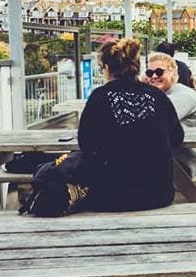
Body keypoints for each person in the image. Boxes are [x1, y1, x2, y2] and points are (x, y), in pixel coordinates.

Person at [77, 38, 183, 211]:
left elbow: (86, 143)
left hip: (111, 195)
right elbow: (177, 136)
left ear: (107, 68)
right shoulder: (156, 95)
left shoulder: (99, 97)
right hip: (159, 194)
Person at [146, 51, 196, 177]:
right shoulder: (165, 94)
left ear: (172, 73)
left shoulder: (183, 95)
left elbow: (153, 121)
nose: (153, 76)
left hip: (188, 158)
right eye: (149, 73)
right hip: (177, 153)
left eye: (159, 72)